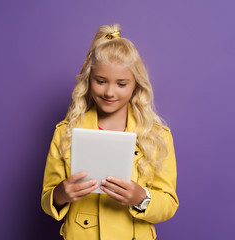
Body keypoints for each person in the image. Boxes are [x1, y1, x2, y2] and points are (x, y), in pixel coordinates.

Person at [41, 23, 179, 240]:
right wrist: (60, 194)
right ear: (89, 80)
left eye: (121, 84)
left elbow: (169, 204)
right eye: (101, 81)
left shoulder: (157, 136)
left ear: (136, 85)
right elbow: (48, 198)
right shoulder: (66, 132)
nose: (109, 92)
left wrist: (141, 197)